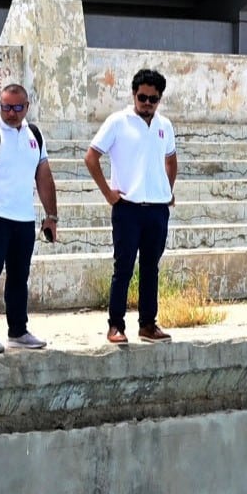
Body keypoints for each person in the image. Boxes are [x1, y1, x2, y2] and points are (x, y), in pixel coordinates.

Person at [84, 68, 178, 345]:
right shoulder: (118, 122)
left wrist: (167, 190)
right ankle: (116, 325)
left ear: (159, 99)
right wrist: (107, 193)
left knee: (151, 267)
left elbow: (171, 160)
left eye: (153, 99)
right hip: (128, 207)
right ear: (134, 95)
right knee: (123, 267)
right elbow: (91, 157)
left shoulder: (165, 125)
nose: (147, 103)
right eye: (142, 97)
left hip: (157, 208)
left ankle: (148, 324)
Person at [0, 83, 59, 354]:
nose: (11, 113)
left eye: (18, 107)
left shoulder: (35, 136)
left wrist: (51, 216)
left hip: (23, 219)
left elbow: (44, 177)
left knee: (19, 277)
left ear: (26, 107)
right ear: (0, 105)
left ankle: (18, 331)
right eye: (6, 107)